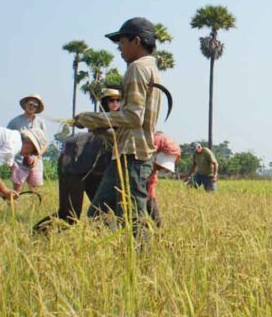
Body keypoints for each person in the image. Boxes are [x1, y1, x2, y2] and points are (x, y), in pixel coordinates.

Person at [74, 17, 164, 233]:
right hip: (126, 151)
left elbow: (133, 117)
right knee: (100, 212)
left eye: (122, 43)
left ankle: (141, 262)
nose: (120, 49)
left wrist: (91, 118)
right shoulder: (151, 69)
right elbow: (135, 122)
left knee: (132, 217)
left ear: (136, 41)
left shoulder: (137, 68)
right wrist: (103, 129)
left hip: (133, 155)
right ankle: (118, 254)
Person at [33, 89, 121, 233]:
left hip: (96, 172)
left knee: (103, 212)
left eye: (118, 100)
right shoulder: (98, 119)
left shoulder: (123, 120)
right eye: (111, 100)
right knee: (69, 216)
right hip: (74, 164)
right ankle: (35, 235)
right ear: (105, 102)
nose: (115, 103)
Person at [7, 94, 48, 193]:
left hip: (36, 162)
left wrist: (37, 157)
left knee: (35, 190)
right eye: (30, 104)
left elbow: (45, 143)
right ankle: (13, 208)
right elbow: (7, 141)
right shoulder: (15, 122)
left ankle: (34, 208)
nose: (32, 107)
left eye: (35, 105)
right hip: (19, 161)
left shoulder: (40, 123)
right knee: (17, 189)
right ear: (25, 104)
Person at [147, 131, 181, 204]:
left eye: (161, 167)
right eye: (159, 165)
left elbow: (150, 194)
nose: (160, 168)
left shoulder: (152, 175)